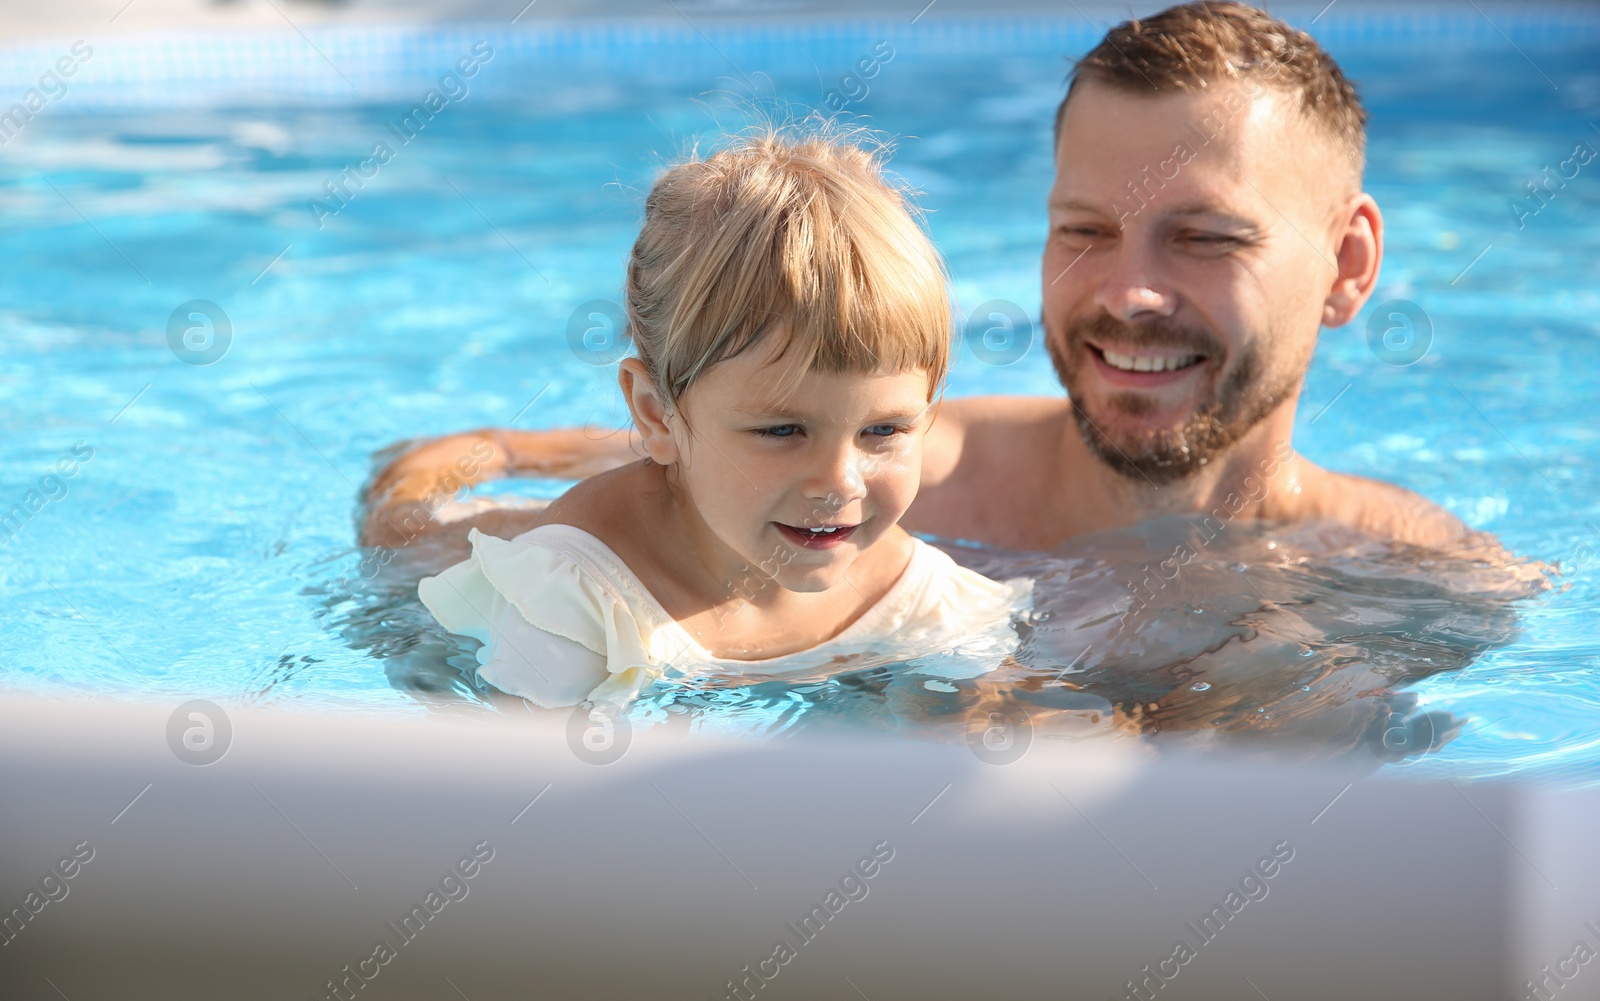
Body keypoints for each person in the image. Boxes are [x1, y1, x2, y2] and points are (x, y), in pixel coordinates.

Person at [360, 2, 1482, 559]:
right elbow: (463, 480)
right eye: (1084, 229)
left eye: (1206, 238)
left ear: (1346, 267)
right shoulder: (900, 478)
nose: (1128, 291)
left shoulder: (1423, 585)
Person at [413, 133, 1031, 709]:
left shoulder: (923, 602)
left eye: (884, 430)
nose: (841, 483)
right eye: (782, 431)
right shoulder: (578, 600)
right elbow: (523, 799)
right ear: (657, 414)